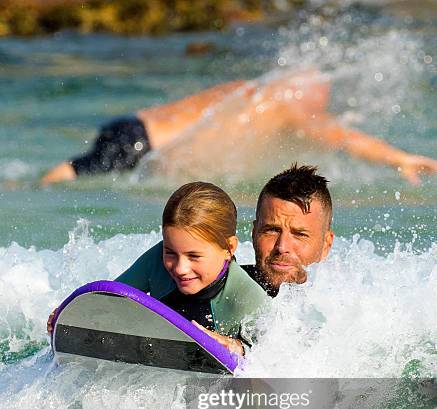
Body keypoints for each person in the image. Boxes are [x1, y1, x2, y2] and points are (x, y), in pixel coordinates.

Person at [40, 70, 437, 186]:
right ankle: (34, 186)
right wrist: (398, 158)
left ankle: (38, 182)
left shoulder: (248, 90)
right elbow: (345, 138)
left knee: (78, 169)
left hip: (132, 126)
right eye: (321, 96)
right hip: (144, 146)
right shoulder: (288, 108)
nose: (322, 106)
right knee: (75, 176)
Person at [48, 181, 269, 355]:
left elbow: (274, 359)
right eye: (170, 252)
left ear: (228, 248)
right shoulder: (156, 261)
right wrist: (74, 316)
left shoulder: (249, 296)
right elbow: (110, 299)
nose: (180, 268)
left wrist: (237, 348)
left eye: (194, 256)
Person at [243, 163, 334, 296]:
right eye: (272, 230)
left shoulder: (352, 309)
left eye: (299, 234)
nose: (281, 247)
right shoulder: (217, 295)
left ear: (326, 245)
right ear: (254, 232)